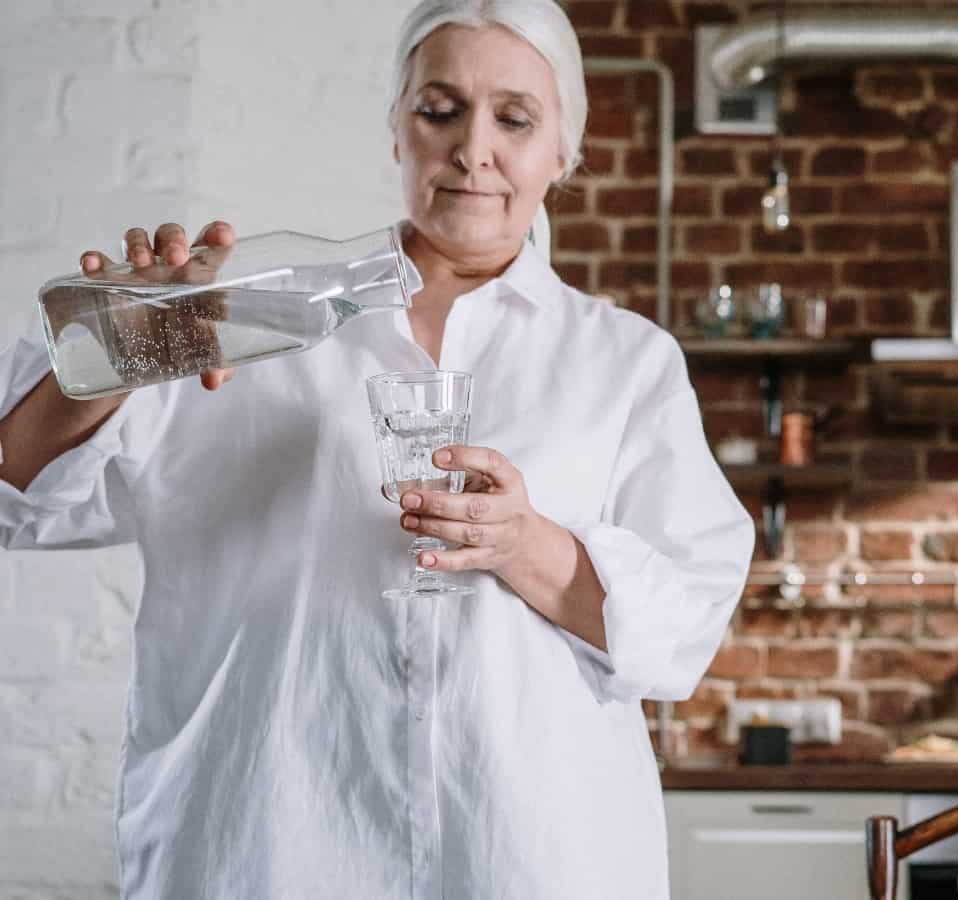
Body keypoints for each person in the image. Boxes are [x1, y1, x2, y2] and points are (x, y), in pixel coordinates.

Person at [0, 0, 754, 897]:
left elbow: (679, 636)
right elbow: (20, 497)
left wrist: (523, 544)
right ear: (396, 130)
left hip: (530, 859)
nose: (474, 149)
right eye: (440, 110)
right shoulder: (232, 316)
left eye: (515, 119)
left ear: (564, 152)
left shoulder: (623, 363)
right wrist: (122, 351)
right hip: (263, 848)